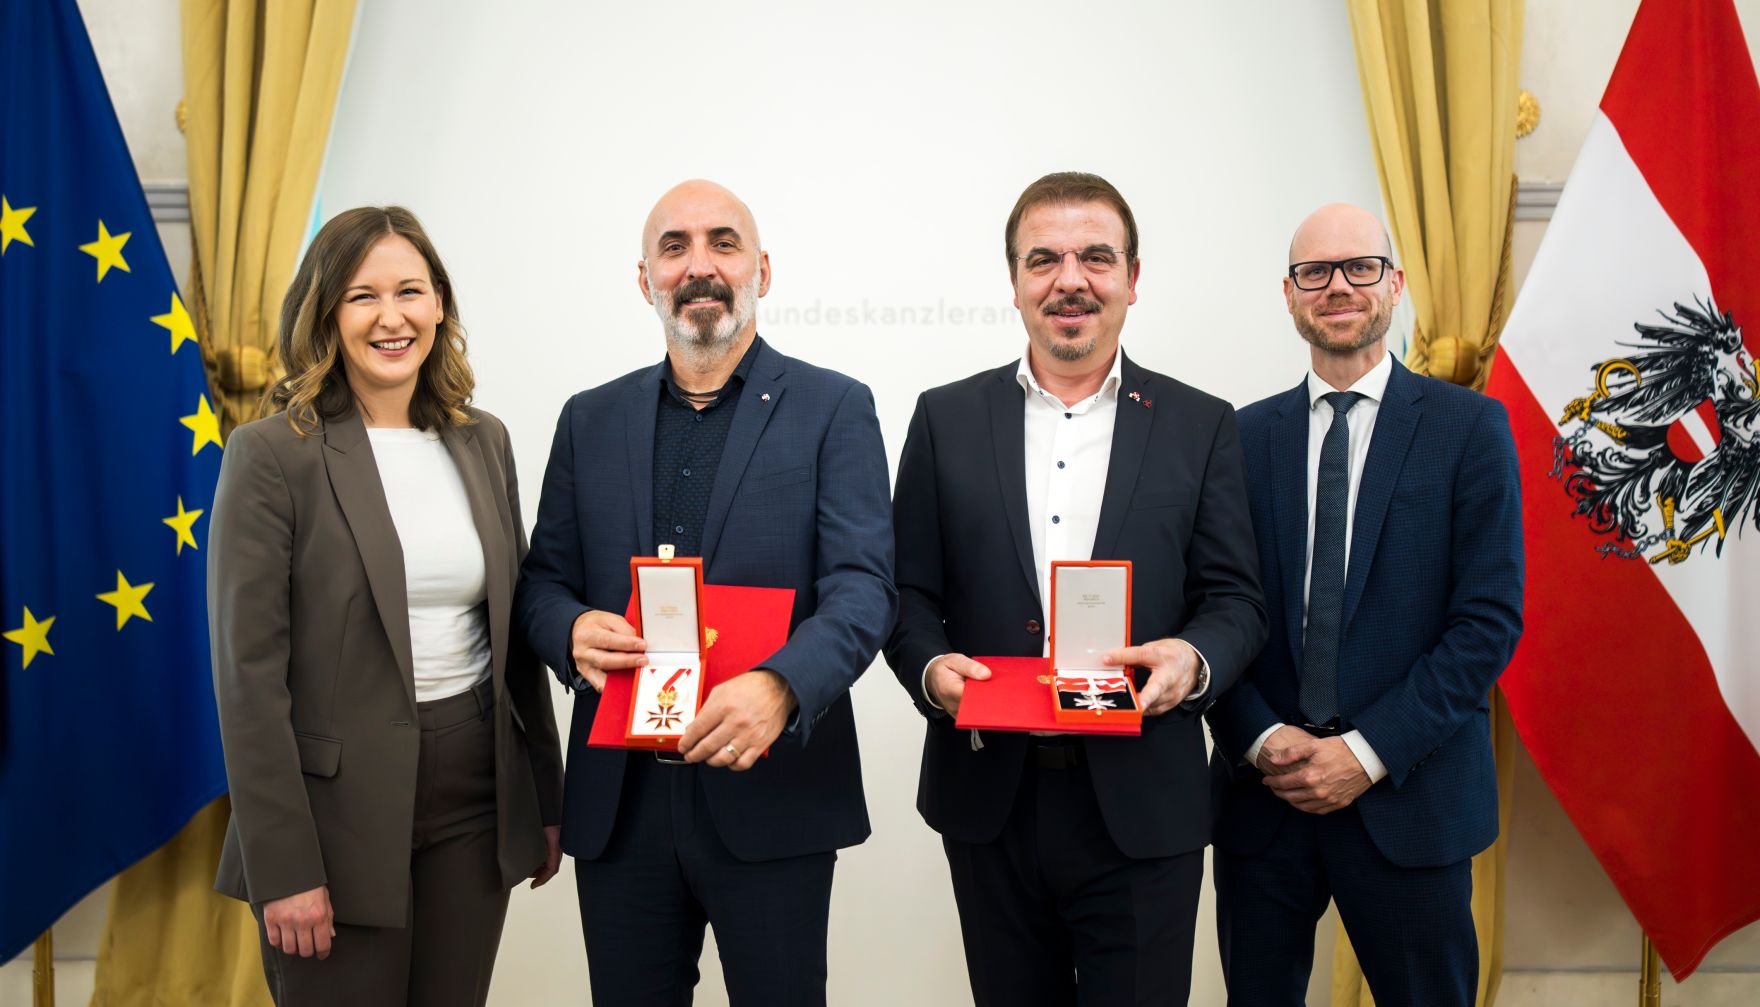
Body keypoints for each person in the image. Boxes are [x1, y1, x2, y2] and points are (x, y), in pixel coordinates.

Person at [884, 171, 1267, 1005]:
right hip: (989, 791)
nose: (1071, 279)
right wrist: (929, 668)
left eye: (1097, 257)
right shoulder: (943, 419)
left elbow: (1237, 601)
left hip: (1143, 798)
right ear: (1016, 282)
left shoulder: (1202, 425)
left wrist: (1194, 660)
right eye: (1045, 259)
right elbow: (905, 593)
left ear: (1133, 278)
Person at [513, 179, 894, 1006]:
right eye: (674, 247)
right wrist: (570, 629)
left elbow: (864, 589)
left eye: (723, 243)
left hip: (774, 787)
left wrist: (783, 686)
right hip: (623, 799)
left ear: (763, 268)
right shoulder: (588, 418)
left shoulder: (834, 408)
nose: (700, 265)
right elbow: (542, 581)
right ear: (645, 278)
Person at [207, 206, 564, 1006]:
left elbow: (511, 642)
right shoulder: (270, 454)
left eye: (411, 290)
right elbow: (247, 679)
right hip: (332, 815)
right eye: (364, 296)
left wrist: (544, 793)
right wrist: (286, 865)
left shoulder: (485, 440)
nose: (392, 316)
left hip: (476, 796)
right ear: (326, 311)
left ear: (440, 304)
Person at [1206, 204, 1524, 1006]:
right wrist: (1259, 734)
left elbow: (1487, 622)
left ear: (1397, 283)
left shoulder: (1472, 429)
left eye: (1360, 268)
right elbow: (1211, 609)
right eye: (1315, 272)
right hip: (1264, 800)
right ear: (1289, 293)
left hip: (1411, 797)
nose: (1338, 286)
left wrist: (1366, 752)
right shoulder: (1236, 438)